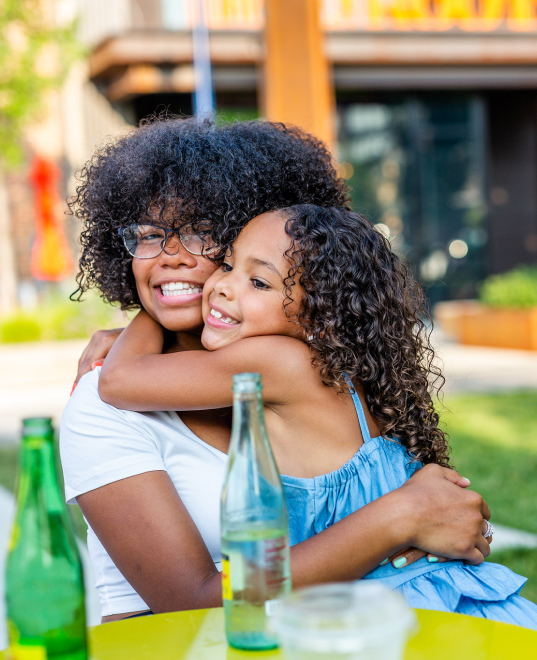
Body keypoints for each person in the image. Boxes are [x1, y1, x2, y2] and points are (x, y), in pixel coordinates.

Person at [61, 117, 492, 623]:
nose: (171, 257)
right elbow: (192, 602)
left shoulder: (308, 368)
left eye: (202, 233)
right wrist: (399, 519)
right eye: (150, 236)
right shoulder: (105, 406)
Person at [99, 204, 537, 629]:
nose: (224, 287)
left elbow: (119, 382)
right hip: (437, 597)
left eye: (259, 283)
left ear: (319, 318)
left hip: (409, 614)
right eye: (229, 265)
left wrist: (153, 314)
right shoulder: (336, 369)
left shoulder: (276, 361)